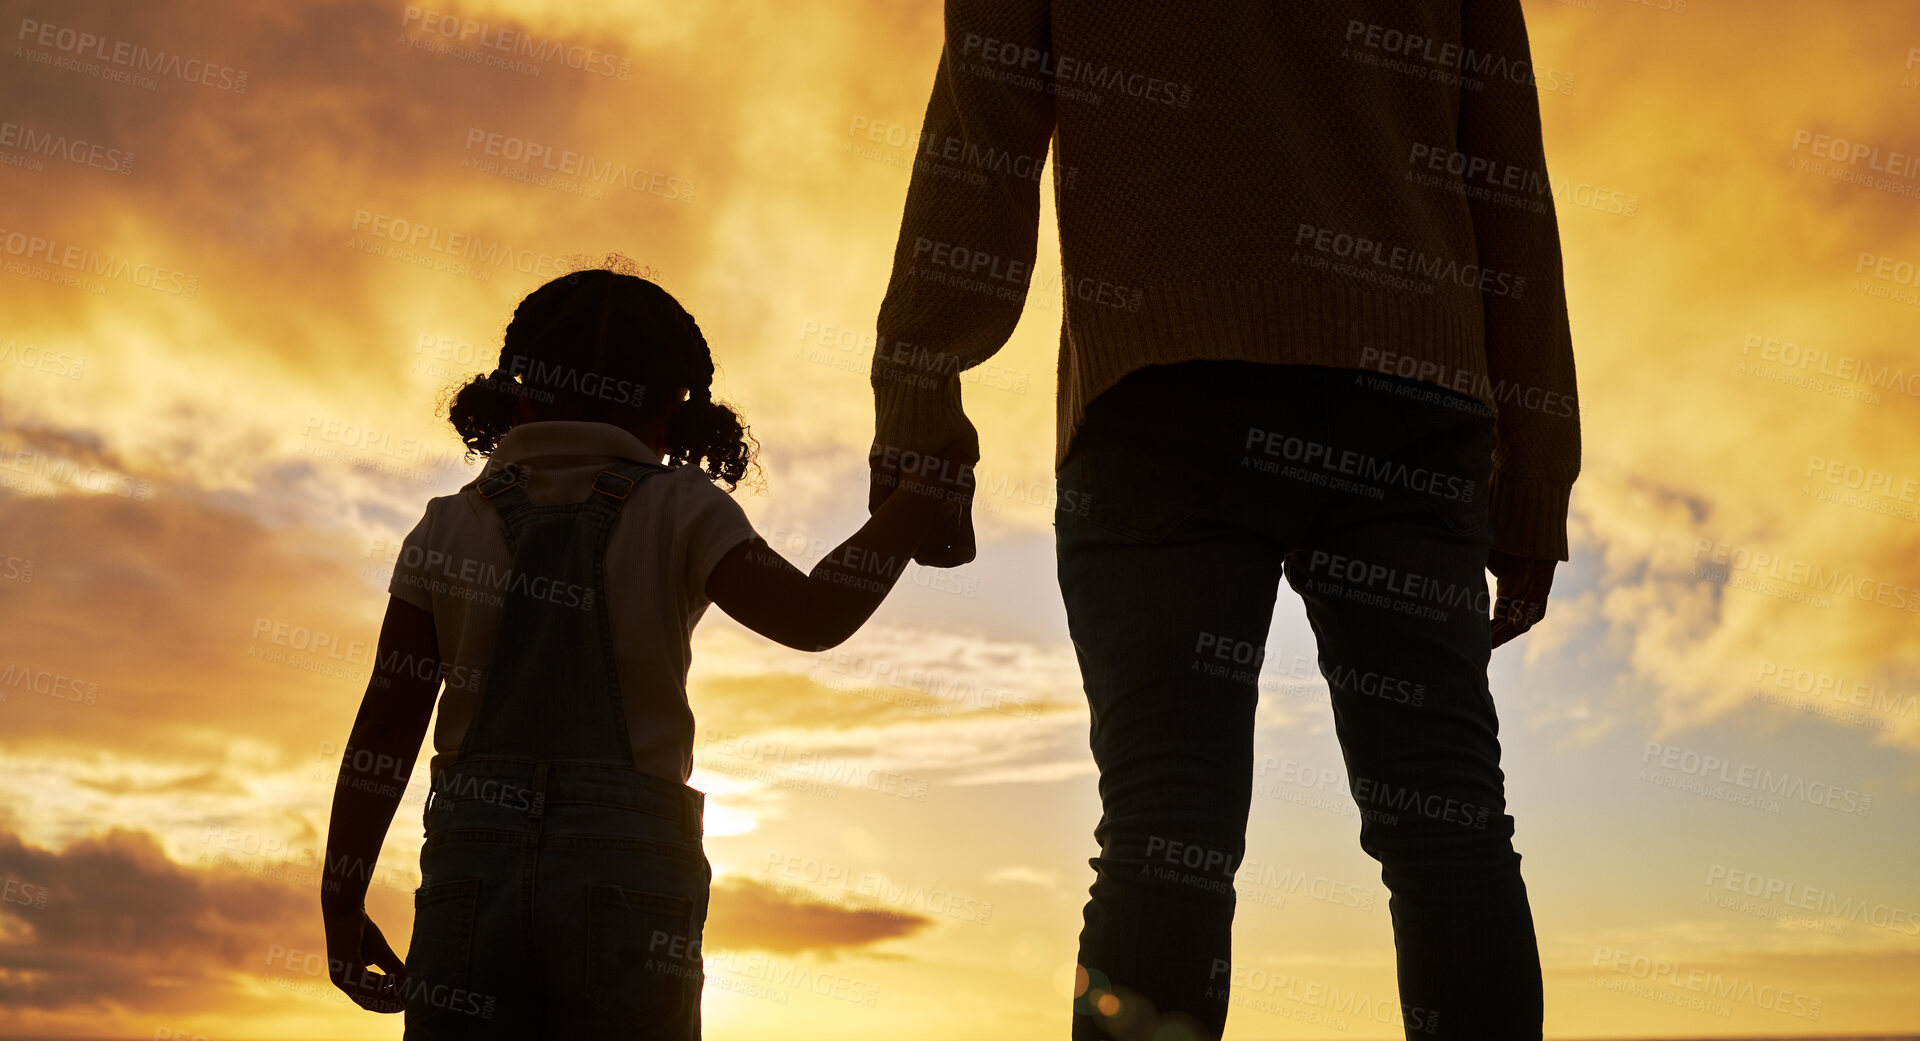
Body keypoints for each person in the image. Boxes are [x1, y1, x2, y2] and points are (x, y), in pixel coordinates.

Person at [865, 3, 1580, 1039]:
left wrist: (919, 394)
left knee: (1165, 828)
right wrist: (1536, 471)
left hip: (1161, 391)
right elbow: (1509, 184)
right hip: (1406, 397)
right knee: (1447, 823)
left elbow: (980, 146)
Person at [319, 262, 960, 1038]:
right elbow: (814, 614)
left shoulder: (445, 526)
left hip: (470, 878)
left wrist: (342, 897)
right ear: (673, 414)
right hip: (629, 880)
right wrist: (917, 498)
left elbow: (386, 731)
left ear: (516, 393)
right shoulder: (680, 507)